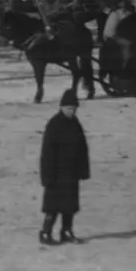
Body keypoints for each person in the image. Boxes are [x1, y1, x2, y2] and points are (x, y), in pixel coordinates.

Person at [39, 87, 90, 246]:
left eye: (74, 108)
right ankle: (46, 232)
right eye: (69, 108)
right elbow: (47, 153)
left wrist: (83, 170)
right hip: (56, 174)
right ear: (61, 107)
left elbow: (82, 148)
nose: (72, 111)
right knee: (53, 207)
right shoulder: (54, 124)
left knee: (70, 206)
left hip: (71, 173)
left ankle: (66, 231)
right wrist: (47, 176)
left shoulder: (75, 124)